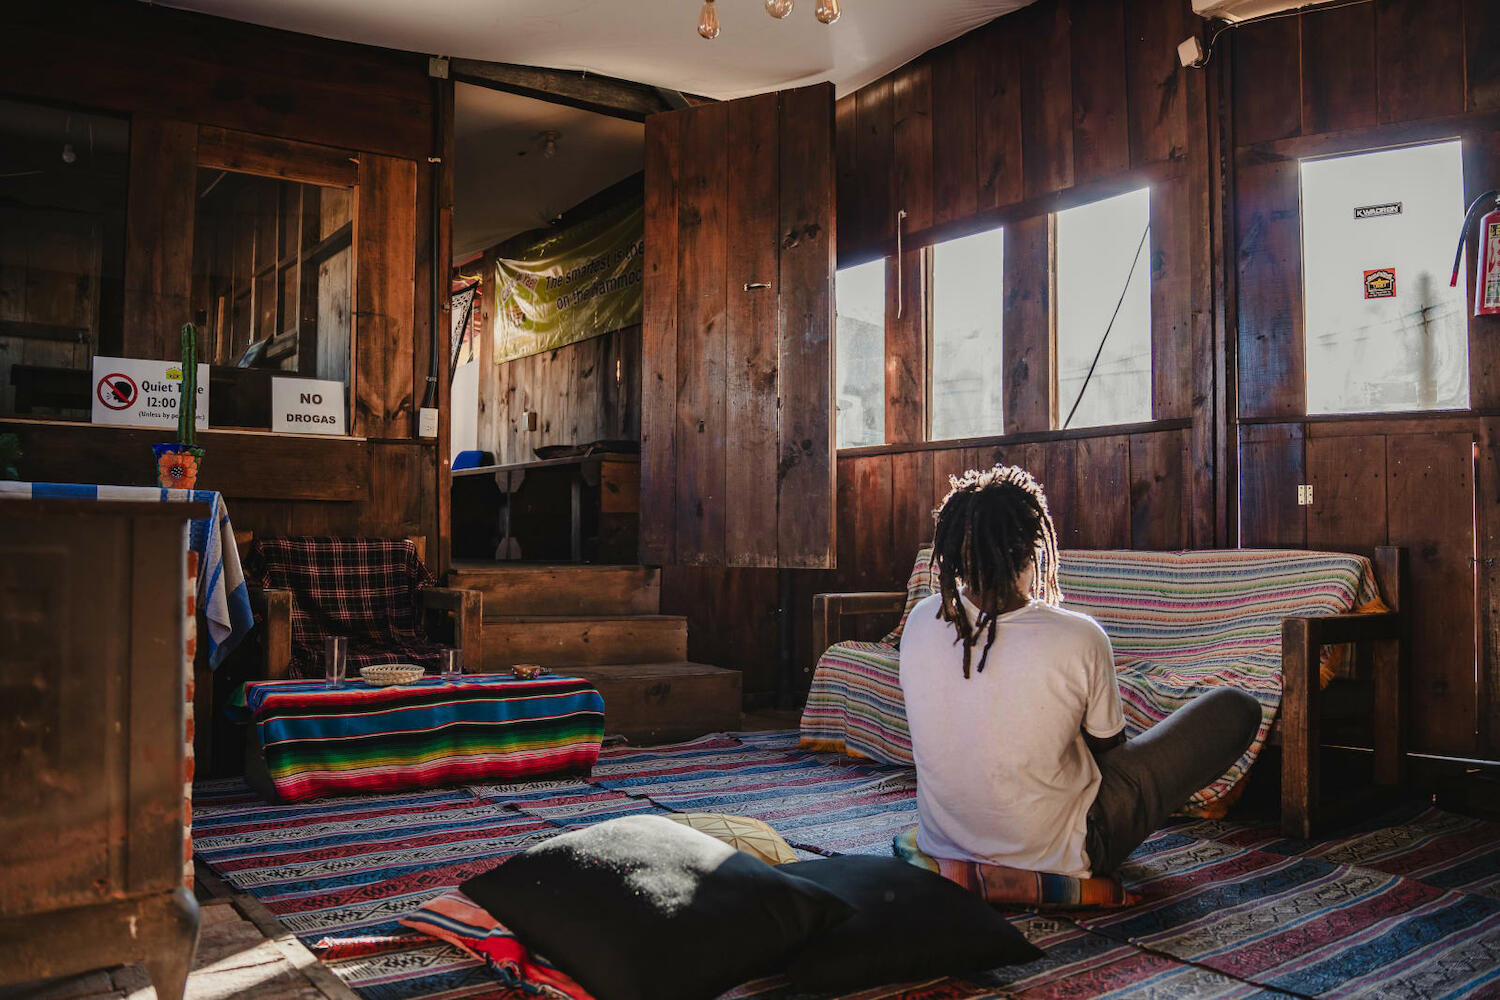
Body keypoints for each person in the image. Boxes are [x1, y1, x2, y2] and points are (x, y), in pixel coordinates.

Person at [898, 465, 1262, 878]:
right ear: (1035, 547)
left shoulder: (921, 619)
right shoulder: (1079, 636)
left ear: (953, 554)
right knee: (1237, 707)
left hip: (945, 844)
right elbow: (1109, 750)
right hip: (1066, 854)